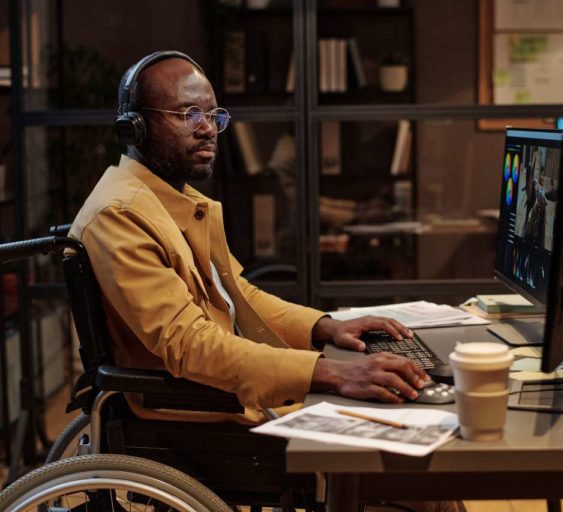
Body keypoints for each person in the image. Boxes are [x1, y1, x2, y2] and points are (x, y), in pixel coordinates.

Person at [69, 51, 431, 426]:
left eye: (212, 115)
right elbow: (190, 346)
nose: (207, 128)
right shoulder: (121, 215)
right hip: (197, 415)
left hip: (220, 397)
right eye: (188, 114)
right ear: (136, 127)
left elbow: (238, 297)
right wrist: (333, 373)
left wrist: (326, 327)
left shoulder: (169, 199)